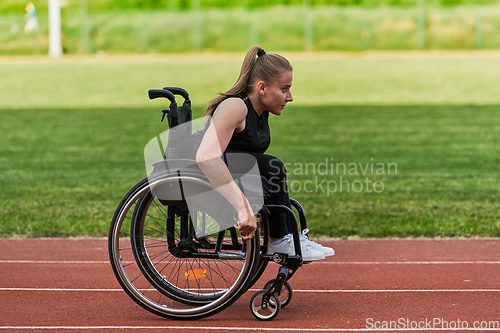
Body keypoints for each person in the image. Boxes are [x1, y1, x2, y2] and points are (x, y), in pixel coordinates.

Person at [196, 46, 334, 261]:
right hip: (197, 173)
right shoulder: (236, 106)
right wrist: (243, 209)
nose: (290, 97)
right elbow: (206, 157)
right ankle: (279, 240)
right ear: (262, 87)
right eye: (285, 89)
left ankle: (285, 237)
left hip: (226, 169)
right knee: (272, 166)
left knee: (270, 170)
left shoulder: (261, 112)